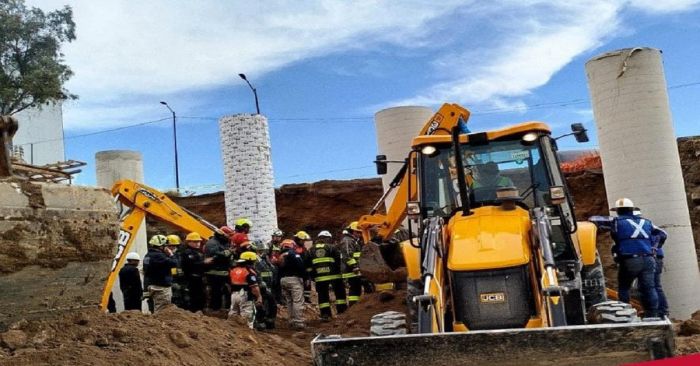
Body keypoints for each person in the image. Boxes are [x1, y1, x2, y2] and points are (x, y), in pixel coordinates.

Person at [589, 198, 664, 318]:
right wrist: (654, 248)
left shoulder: (616, 221)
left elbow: (594, 219)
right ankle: (653, 315)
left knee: (624, 287)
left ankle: (625, 313)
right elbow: (662, 234)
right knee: (649, 288)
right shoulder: (647, 222)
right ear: (632, 209)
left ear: (618, 211)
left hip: (630, 260)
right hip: (649, 259)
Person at [309, 231, 347, 321]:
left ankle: (325, 315)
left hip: (319, 278)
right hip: (335, 276)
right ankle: (342, 312)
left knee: (323, 297)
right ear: (328, 238)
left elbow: (308, 265)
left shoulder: (311, 250)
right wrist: (341, 273)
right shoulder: (332, 248)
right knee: (340, 295)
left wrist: (312, 276)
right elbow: (338, 261)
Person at [143, 234, 178, 312]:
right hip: (161, 287)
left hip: (151, 285)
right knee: (162, 310)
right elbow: (174, 263)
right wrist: (171, 254)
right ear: (161, 246)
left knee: (154, 308)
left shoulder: (148, 255)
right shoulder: (159, 256)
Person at [229, 252, 263, 329]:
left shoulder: (233, 270)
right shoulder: (249, 271)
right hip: (245, 295)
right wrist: (259, 297)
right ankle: (247, 334)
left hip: (234, 294)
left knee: (233, 314)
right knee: (247, 316)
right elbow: (254, 287)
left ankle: (231, 331)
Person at [278, 239, 306, 329]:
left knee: (289, 301)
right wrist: (305, 277)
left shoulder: (280, 255)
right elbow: (301, 266)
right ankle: (298, 322)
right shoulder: (293, 254)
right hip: (293, 279)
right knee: (297, 301)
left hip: (283, 280)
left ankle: (291, 320)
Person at [204, 227, 234, 312]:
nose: (229, 237)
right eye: (228, 235)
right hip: (214, 273)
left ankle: (225, 308)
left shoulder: (223, 242)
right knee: (216, 292)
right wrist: (228, 252)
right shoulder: (212, 243)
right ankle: (215, 310)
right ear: (222, 234)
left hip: (224, 272)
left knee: (226, 291)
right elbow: (216, 256)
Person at [254, 240, 278, 329]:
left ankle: (269, 320)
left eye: (263, 250)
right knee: (261, 305)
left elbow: (270, 270)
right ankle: (260, 321)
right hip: (259, 286)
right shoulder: (255, 260)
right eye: (260, 250)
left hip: (267, 285)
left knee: (271, 303)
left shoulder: (264, 259)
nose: (262, 252)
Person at [181, 232, 206, 312]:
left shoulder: (198, 252)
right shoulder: (187, 252)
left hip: (199, 277)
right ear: (189, 242)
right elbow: (191, 265)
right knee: (194, 297)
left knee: (201, 296)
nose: (198, 244)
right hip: (192, 278)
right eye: (195, 242)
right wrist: (204, 262)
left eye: (198, 241)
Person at [340, 222, 364, 306]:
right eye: (358, 232)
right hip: (351, 271)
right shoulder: (347, 240)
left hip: (355, 270)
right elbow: (347, 255)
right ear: (352, 231)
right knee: (354, 290)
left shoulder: (353, 240)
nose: (360, 234)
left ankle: (355, 307)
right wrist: (354, 266)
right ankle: (353, 307)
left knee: (357, 289)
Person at [651, 217, 669, 318]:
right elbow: (664, 235)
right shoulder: (648, 226)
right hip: (656, 258)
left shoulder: (640, 228)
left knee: (652, 286)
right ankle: (662, 312)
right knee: (655, 286)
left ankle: (660, 313)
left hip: (651, 258)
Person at [166, 234, 186, 308]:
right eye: (170, 246)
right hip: (169, 280)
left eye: (174, 246)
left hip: (179, 279)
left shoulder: (179, 255)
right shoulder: (164, 256)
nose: (172, 248)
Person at [293, 231, 313, 303]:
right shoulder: (293, 248)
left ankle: (307, 299)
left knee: (307, 284)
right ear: (298, 239)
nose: (304, 242)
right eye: (303, 240)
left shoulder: (304, 249)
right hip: (296, 271)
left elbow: (308, 260)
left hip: (304, 270)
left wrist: (308, 273)